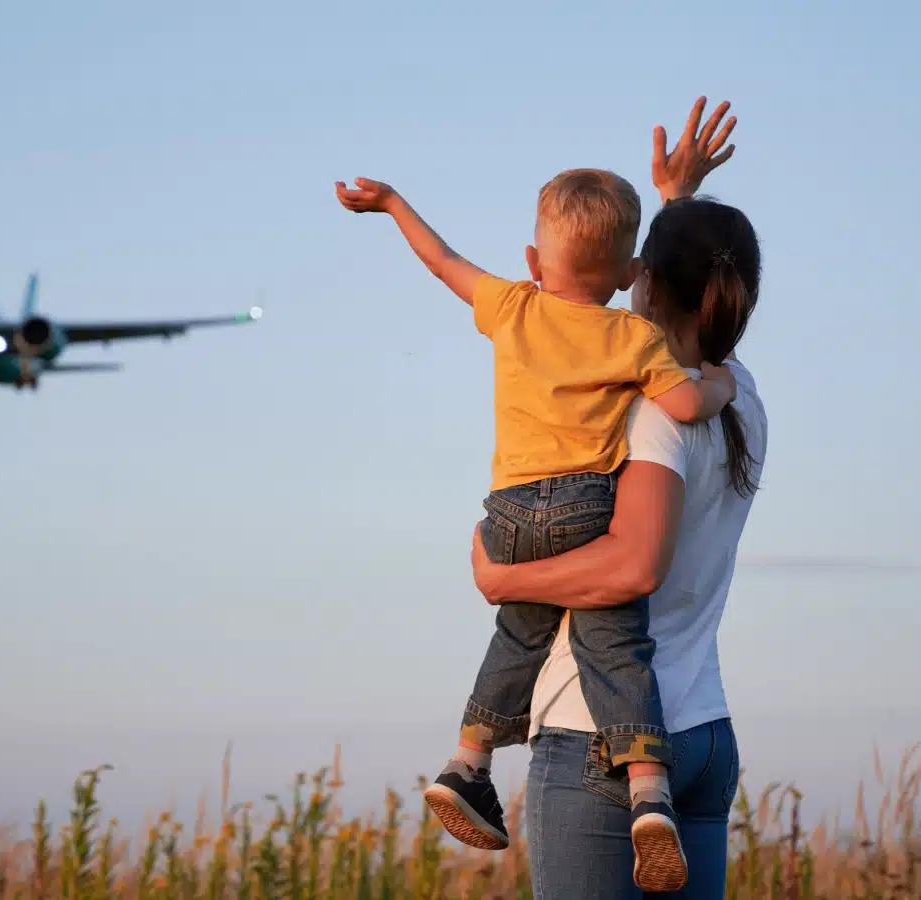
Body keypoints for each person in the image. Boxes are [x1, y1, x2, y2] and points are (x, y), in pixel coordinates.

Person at [333, 97, 740, 892]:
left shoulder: (512, 306)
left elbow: (444, 260)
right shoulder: (641, 343)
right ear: (628, 276)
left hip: (512, 514)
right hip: (590, 514)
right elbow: (686, 394)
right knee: (615, 644)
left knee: (516, 634)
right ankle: (647, 788)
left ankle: (468, 758)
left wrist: (390, 204)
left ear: (531, 259)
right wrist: (715, 382)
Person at [470, 119, 766, 897]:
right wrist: (677, 198)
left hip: (603, 740)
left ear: (647, 282)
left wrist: (506, 583)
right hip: (704, 733)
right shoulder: (738, 393)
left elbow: (633, 564)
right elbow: (688, 294)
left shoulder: (648, 413)